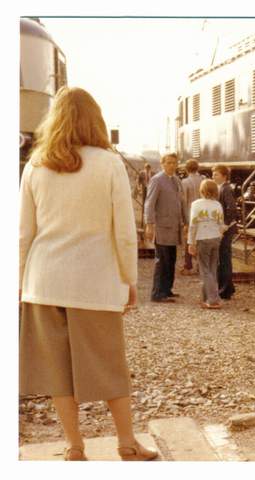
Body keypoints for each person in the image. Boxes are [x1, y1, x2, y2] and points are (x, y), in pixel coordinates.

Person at [19, 86, 157, 461]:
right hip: (94, 281)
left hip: (43, 282)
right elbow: (124, 231)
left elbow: (24, 233)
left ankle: (74, 447)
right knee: (109, 363)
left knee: (57, 371)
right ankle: (127, 443)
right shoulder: (108, 163)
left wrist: (19, 282)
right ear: (95, 120)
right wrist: (129, 280)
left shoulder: (35, 165)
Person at [144, 152, 186, 303]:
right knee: (162, 261)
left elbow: (181, 202)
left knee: (171, 260)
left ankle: (167, 290)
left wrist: (186, 221)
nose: (172, 166)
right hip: (162, 227)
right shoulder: (157, 180)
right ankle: (157, 293)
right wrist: (149, 224)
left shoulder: (176, 180)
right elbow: (149, 204)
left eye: (174, 163)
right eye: (168, 163)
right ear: (162, 164)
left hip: (174, 227)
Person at [188, 179, 225, 309]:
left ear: (202, 191)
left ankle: (213, 300)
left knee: (205, 270)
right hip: (215, 238)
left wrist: (191, 242)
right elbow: (221, 224)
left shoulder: (196, 204)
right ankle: (206, 297)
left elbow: (193, 225)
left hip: (202, 238)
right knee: (212, 269)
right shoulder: (218, 205)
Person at [212, 164, 237, 300]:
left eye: (216, 174)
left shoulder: (226, 189)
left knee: (224, 258)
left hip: (225, 229)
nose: (213, 176)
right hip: (222, 227)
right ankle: (228, 287)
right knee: (223, 257)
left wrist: (225, 225)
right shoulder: (221, 188)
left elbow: (232, 208)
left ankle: (225, 290)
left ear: (224, 176)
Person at [181, 158, 206, 275]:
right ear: (197, 168)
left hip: (190, 214)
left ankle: (188, 266)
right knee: (201, 239)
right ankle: (201, 266)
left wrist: (184, 220)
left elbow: (184, 201)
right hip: (204, 213)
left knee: (189, 240)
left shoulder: (185, 182)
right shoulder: (204, 180)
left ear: (186, 169)